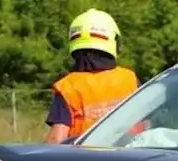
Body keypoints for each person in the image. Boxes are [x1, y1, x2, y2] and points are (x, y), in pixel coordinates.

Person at [44, 8, 140, 144]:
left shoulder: (68, 87)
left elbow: (57, 138)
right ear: (114, 42)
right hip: (132, 157)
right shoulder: (130, 79)